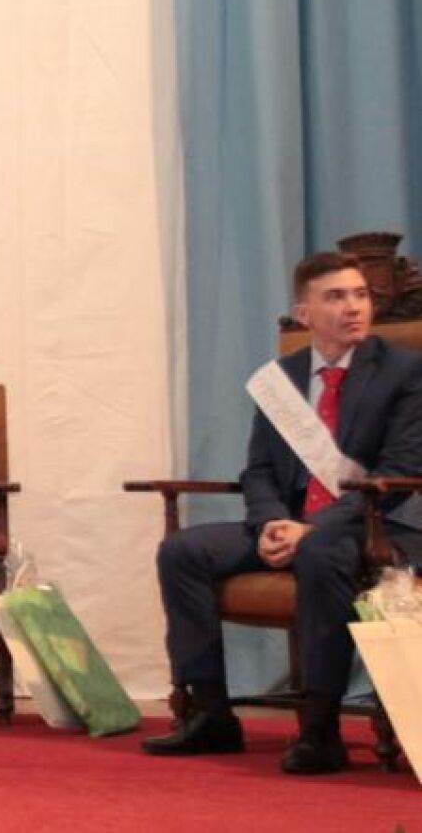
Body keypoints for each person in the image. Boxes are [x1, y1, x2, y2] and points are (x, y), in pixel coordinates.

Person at [143, 252, 422, 774]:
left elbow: (400, 472)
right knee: (182, 551)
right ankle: (211, 714)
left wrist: (310, 529)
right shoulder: (280, 379)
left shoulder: (403, 370)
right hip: (293, 522)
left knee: (319, 551)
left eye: (360, 295)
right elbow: (260, 470)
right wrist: (271, 522)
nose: (353, 307)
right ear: (304, 313)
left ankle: (321, 730)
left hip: (374, 527)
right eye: (335, 297)